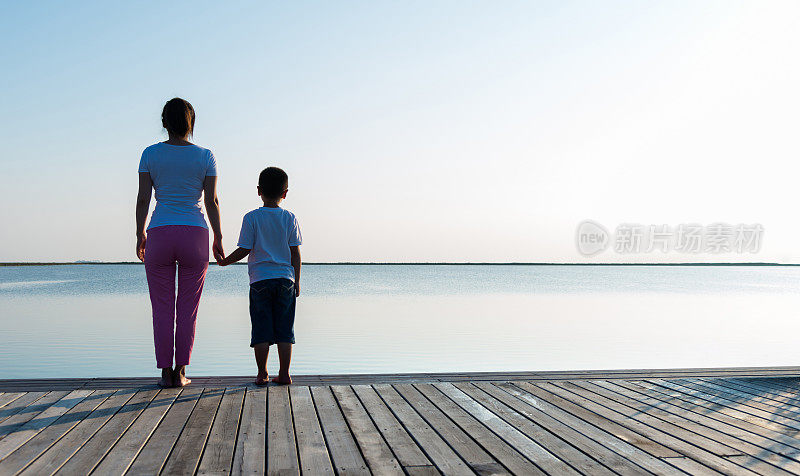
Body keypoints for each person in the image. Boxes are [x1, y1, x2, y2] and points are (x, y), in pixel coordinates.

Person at [135, 98, 224, 388]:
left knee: (161, 308)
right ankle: (181, 372)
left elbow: (143, 198)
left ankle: (164, 374)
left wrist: (140, 233)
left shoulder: (150, 154)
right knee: (188, 308)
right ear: (191, 123)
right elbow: (211, 200)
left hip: (160, 232)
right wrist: (219, 236)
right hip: (195, 233)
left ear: (164, 123)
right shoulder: (205, 156)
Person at [217, 167, 302, 386]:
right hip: (285, 280)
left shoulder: (252, 218)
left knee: (261, 328)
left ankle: (262, 373)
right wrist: (297, 280)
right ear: (285, 193)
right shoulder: (289, 218)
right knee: (285, 329)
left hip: (260, 280)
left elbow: (244, 249)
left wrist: (225, 261)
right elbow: (295, 253)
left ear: (258, 191)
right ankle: (284, 374)